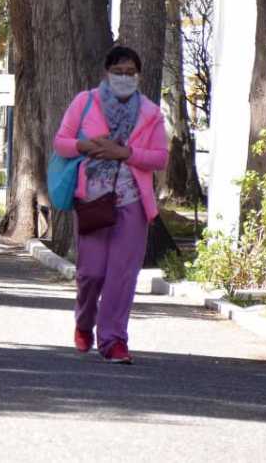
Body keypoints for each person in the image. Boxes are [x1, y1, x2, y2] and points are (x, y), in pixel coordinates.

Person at [53, 45, 168, 364]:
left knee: (122, 275)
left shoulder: (150, 113)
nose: (124, 78)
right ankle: (83, 322)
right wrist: (85, 146)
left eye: (130, 72)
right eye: (118, 72)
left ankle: (114, 340)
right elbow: (60, 143)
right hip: (92, 201)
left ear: (139, 76)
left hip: (132, 204)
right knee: (91, 273)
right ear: (106, 73)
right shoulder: (84, 102)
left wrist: (126, 154)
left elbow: (159, 157)